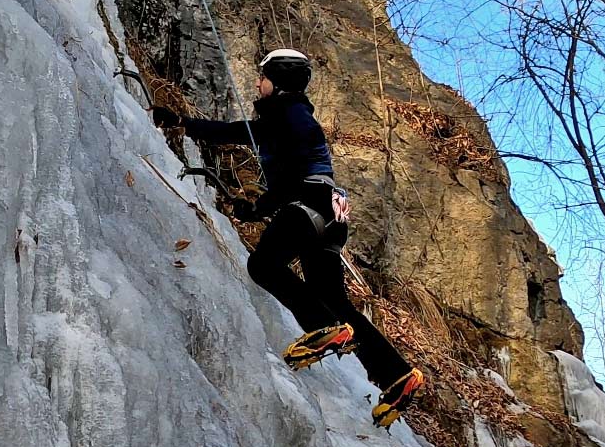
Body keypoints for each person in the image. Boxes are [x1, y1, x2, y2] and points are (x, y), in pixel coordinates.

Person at [152, 49, 425, 427]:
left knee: (263, 264)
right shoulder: (287, 117)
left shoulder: (286, 113)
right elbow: (234, 132)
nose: (257, 84)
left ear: (278, 80)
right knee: (333, 299)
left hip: (307, 201)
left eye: (262, 77)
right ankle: (396, 375)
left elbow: (293, 172)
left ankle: (323, 328)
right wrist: (183, 121)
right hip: (332, 213)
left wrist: (262, 206)